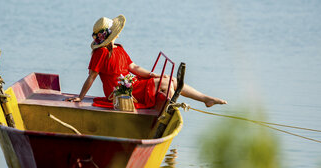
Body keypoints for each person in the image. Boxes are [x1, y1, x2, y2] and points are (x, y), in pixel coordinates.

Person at [66, 15, 227, 108]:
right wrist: (80, 97)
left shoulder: (119, 49)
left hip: (132, 83)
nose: (119, 34)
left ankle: (205, 99)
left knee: (171, 80)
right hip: (120, 91)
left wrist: (153, 74)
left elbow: (134, 67)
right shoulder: (100, 52)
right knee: (166, 84)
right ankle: (164, 113)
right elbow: (92, 76)